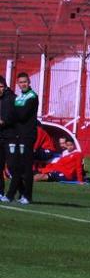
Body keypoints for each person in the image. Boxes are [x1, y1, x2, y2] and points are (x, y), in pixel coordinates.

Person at [5, 73, 38, 205]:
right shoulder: (19, 97)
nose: (23, 84)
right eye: (20, 82)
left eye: (25, 82)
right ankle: (11, 195)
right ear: (18, 84)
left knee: (27, 167)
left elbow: (22, 115)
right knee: (16, 167)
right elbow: (14, 113)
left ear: (29, 82)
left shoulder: (32, 97)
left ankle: (27, 196)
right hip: (18, 135)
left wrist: (12, 112)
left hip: (28, 135)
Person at [0, 76, 15, 203]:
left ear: (4, 86)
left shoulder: (11, 98)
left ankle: (22, 193)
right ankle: (1, 192)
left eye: (0, 86)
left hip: (10, 137)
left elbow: (14, 117)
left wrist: (4, 121)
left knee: (12, 166)